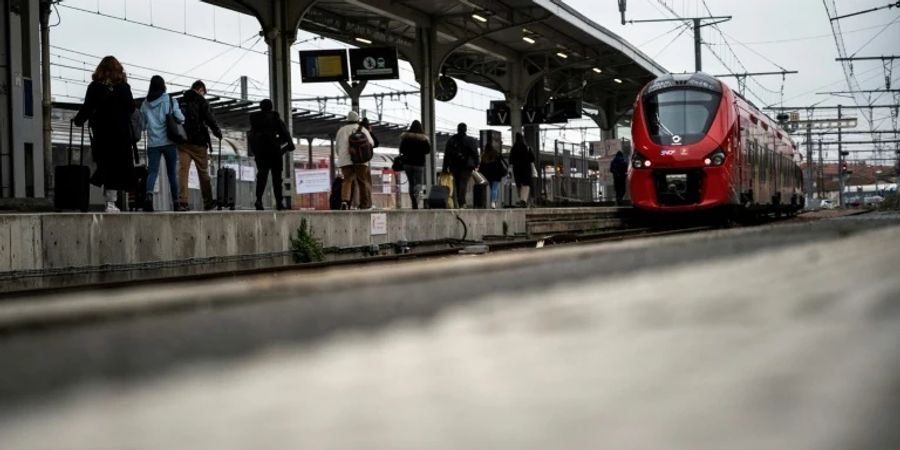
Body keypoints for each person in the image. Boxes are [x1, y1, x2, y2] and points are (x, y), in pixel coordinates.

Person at [72, 56, 137, 213]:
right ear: (118, 71)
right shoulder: (123, 87)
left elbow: (87, 107)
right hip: (120, 134)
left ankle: (108, 200)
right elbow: (131, 108)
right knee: (116, 167)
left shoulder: (94, 87)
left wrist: (78, 121)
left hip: (101, 134)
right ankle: (111, 202)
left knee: (106, 165)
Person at [138, 75, 183, 212]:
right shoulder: (169, 100)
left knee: (152, 172)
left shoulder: (145, 104)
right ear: (163, 85)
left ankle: (149, 197)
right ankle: (176, 203)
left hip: (153, 144)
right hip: (169, 142)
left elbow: (143, 126)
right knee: (171, 174)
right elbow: (180, 118)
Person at [177, 80, 222, 211]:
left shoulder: (180, 100)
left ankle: (183, 201)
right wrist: (217, 132)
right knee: (203, 172)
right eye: (203, 92)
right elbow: (210, 119)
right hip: (198, 142)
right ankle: (207, 201)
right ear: (200, 89)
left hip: (183, 142)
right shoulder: (201, 101)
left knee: (183, 171)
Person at [249, 99, 291, 210]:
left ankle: (258, 200)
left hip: (261, 154)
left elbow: (252, 135)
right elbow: (285, 133)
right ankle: (279, 202)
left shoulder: (255, 120)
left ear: (261, 107)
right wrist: (289, 144)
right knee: (277, 179)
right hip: (275, 153)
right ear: (271, 107)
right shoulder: (276, 119)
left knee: (262, 177)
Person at [335, 110, 374, 210]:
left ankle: (345, 202)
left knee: (347, 180)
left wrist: (342, 156)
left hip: (345, 160)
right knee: (362, 181)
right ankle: (364, 204)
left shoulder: (341, 130)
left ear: (347, 119)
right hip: (360, 160)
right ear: (358, 119)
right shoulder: (362, 129)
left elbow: (337, 147)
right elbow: (371, 143)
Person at [442, 122, 479, 208]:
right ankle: (461, 202)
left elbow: (447, 154)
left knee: (457, 183)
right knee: (463, 183)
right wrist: (476, 164)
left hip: (455, 166)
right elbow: (475, 153)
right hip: (467, 166)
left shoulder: (452, 140)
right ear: (466, 129)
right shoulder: (471, 140)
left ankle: (458, 202)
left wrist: (445, 167)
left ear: (457, 129)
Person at [398, 120, 431, 209]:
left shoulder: (406, 138)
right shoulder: (423, 139)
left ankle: (413, 202)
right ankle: (417, 198)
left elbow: (401, 150)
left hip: (407, 164)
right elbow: (428, 150)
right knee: (418, 183)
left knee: (411, 183)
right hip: (419, 164)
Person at [478, 140, 507, 209]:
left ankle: (493, 202)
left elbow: (481, 167)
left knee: (492, 189)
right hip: (497, 175)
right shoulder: (496, 154)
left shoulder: (484, 156)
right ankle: (493, 202)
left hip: (488, 176)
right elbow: (502, 163)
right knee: (495, 188)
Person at [509, 132, 535, 207]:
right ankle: (523, 200)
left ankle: (521, 199)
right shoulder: (527, 147)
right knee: (526, 184)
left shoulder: (514, 148)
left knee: (519, 185)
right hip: (526, 169)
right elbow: (532, 159)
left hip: (517, 169)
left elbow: (511, 160)